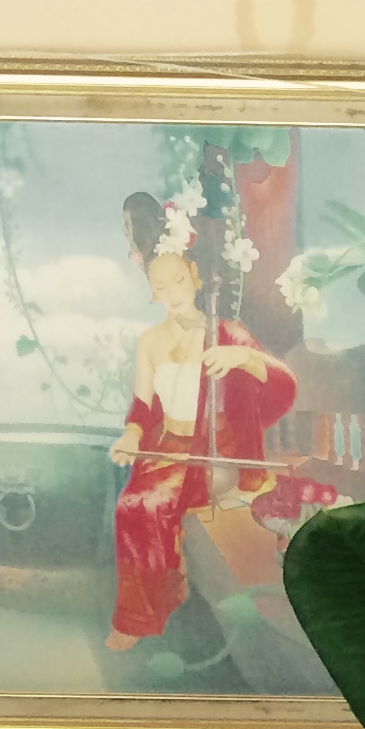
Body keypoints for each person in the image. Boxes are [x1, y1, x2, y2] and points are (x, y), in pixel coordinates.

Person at [105, 248, 296, 652]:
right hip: (168, 447)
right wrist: (131, 436)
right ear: (153, 293)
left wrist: (242, 357)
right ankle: (153, 603)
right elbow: (142, 406)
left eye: (178, 280)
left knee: (152, 503)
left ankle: (150, 608)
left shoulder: (228, 333)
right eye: (161, 286)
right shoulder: (149, 340)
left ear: (194, 277)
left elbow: (282, 383)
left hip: (217, 446)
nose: (172, 292)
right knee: (129, 505)